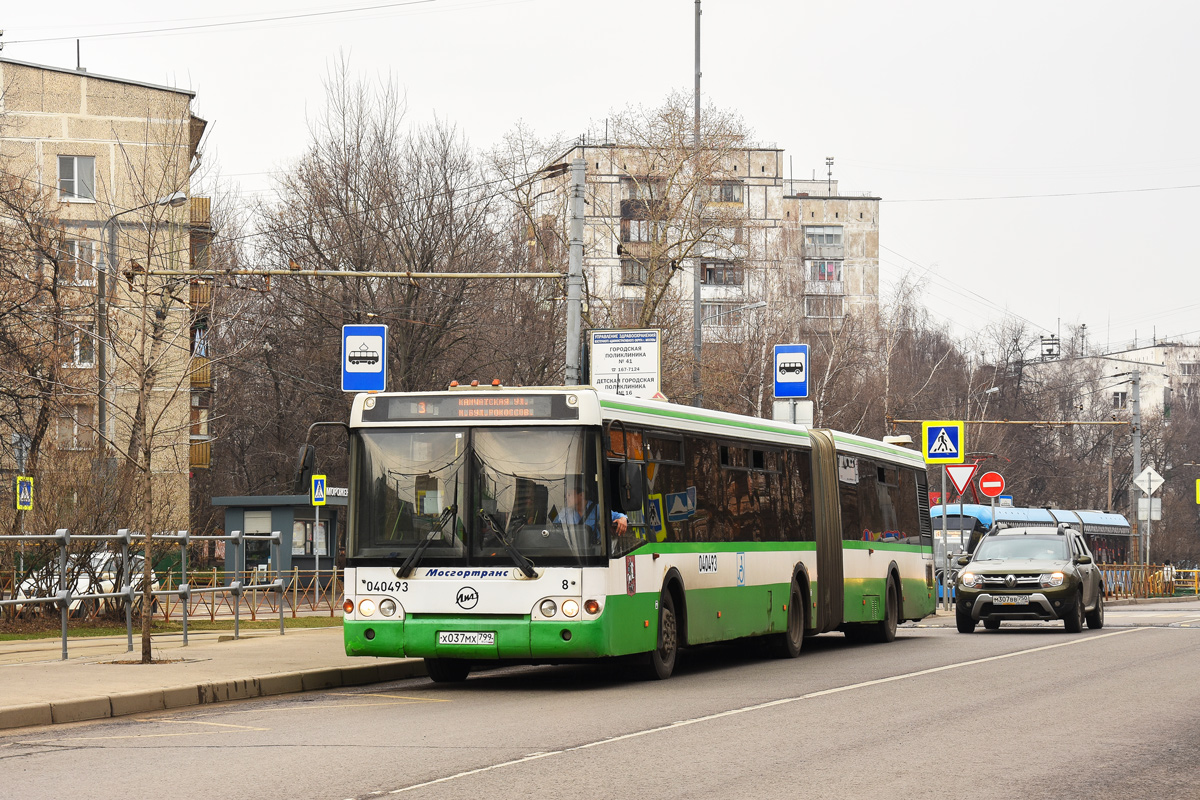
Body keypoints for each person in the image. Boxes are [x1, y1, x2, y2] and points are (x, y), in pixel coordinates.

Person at [556, 484, 628, 536]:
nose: (566, 498)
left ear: (581, 495)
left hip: (593, 550)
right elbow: (554, 527)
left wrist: (622, 518)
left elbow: (617, 516)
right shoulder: (565, 512)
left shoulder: (597, 509)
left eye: (569, 494)